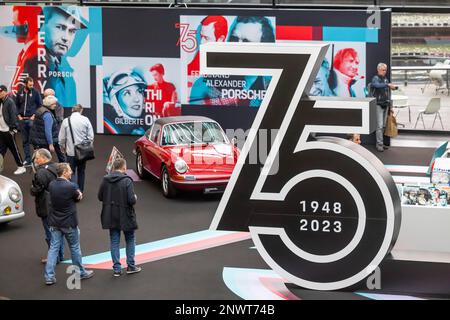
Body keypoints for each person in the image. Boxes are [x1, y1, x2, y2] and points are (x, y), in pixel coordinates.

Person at [44, 163, 94, 285]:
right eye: (70, 170)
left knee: (53, 248)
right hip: (69, 223)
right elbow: (78, 197)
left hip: (55, 222)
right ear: (65, 172)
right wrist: (79, 194)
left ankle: (49, 276)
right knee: (74, 247)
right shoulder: (71, 186)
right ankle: (80, 272)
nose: (71, 172)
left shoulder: (52, 184)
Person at [98, 158, 141, 277]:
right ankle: (131, 266)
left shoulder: (105, 180)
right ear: (123, 167)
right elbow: (131, 200)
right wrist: (135, 198)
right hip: (126, 214)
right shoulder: (127, 181)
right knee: (130, 239)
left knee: (114, 240)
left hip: (110, 214)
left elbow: (100, 196)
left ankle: (117, 269)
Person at [41, 6, 86, 107]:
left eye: (72, 31)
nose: (66, 38)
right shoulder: (34, 61)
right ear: (43, 26)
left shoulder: (62, 66)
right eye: (60, 27)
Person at [30, 148, 64, 264]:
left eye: (37, 158)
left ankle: (53, 257)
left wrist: (32, 189)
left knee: (50, 232)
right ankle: (60, 255)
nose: (35, 160)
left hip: (46, 206)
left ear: (43, 158)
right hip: (59, 204)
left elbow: (36, 189)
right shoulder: (58, 167)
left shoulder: (40, 173)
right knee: (59, 230)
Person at [58, 104, 93, 193]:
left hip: (70, 152)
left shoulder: (66, 121)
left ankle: (73, 191)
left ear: (72, 110)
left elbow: (62, 138)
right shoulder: (85, 120)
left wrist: (62, 146)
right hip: (83, 152)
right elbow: (90, 137)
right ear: (81, 111)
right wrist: (87, 145)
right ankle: (80, 190)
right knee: (81, 172)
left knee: (71, 172)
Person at [10, 6, 43, 94]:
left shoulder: (34, 53)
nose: (13, 30)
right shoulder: (27, 51)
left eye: (15, 25)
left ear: (25, 26)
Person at [103, 69, 147, 135]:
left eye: (139, 91)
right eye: (127, 93)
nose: (136, 99)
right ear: (115, 102)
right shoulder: (108, 125)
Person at [187, 16, 228, 83]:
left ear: (221, 39)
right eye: (201, 36)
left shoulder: (228, 62)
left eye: (206, 38)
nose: (201, 42)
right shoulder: (200, 56)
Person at [370, 63, 397, 152]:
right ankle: (379, 144)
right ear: (378, 70)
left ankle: (381, 143)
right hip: (378, 104)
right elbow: (376, 85)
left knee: (384, 126)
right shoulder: (375, 78)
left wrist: (391, 106)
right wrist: (388, 85)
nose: (384, 71)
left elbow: (388, 94)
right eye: (382, 70)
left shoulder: (385, 79)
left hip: (386, 104)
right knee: (380, 126)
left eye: (385, 70)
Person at [15, 77, 42, 166]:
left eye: (32, 85)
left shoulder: (35, 92)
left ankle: (36, 159)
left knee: (34, 140)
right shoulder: (20, 92)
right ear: (25, 84)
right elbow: (16, 104)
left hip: (31, 120)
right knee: (25, 141)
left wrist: (34, 115)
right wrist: (18, 115)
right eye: (30, 85)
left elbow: (40, 105)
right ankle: (28, 160)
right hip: (22, 120)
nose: (31, 86)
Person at [0, 85, 26, 175]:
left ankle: (21, 167)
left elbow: (13, 115)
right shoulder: (1, 101)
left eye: (0, 91)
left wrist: (13, 128)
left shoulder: (9, 102)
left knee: (14, 149)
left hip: (8, 130)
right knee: (1, 150)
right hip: (1, 130)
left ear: (5, 91)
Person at [43, 88, 65, 162]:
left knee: (61, 155)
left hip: (56, 134)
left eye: (47, 96)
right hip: (47, 135)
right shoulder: (43, 106)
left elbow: (59, 119)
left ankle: (64, 170)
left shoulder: (58, 106)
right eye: (45, 96)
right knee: (46, 156)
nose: (45, 98)